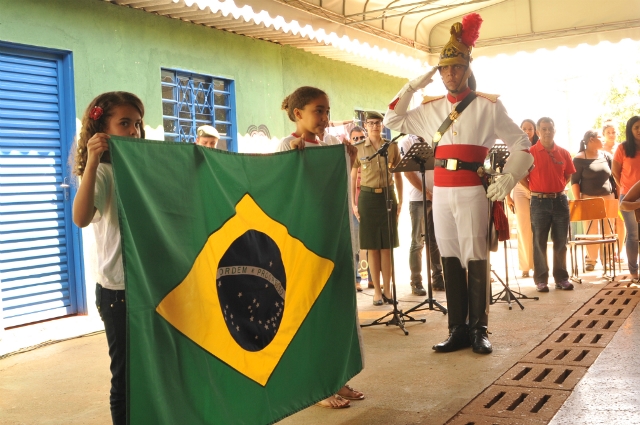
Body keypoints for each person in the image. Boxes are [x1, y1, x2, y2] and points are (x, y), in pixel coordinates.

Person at [383, 13, 533, 355]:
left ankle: (479, 328)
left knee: (474, 255)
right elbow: (392, 118)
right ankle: (457, 329)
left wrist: (509, 176)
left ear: (467, 69)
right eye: (444, 69)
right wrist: (412, 86)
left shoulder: (487, 106)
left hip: (471, 190)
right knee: (449, 255)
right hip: (442, 193)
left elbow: (522, 143)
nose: (450, 74)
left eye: (456, 67)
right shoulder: (429, 108)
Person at [278, 85, 363, 408]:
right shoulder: (288, 145)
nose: (325, 118)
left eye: (327, 111)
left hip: (334, 236)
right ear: (298, 113)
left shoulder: (330, 146)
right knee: (311, 313)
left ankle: (337, 378)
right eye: (318, 110)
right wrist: (293, 161)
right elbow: (286, 192)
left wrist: (351, 162)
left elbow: (335, 194)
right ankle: (316, 385)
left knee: (336, 311)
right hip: (305, 240)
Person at [72, 91, 146, 425]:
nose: (134, 130)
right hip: (118, 291)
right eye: (125, 123)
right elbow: (81, 217)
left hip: (149, 285)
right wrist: (91, 163)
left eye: (138, 123)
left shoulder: (143, 169)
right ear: (102, 129)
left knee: (152, 371)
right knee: (127, 378)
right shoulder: (102, 174)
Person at [351, 111, 403, 307]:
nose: (374, 126)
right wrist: (354, 204)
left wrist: (400, 201)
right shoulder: (358, 149)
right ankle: (378, 292)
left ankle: (388, 290)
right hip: (367, 198)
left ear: (383, 125)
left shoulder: (391, 147)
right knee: (372, 247)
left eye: (378, 123)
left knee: (387, 247)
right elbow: (352, 176)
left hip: (388, 197)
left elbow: (398, 175)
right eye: (371, 123)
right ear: (365, 125)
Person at [520, 117, 576, 292]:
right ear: (537, 132)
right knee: (539, 241)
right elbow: (521, 176)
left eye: (550, 128)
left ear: (554, 130)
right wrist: (535, 190)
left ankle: (561, 278)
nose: (547, 132)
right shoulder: (530, 153)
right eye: (543, 129)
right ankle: (541, 280)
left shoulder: (564, 153)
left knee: (560, 241)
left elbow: (568, 175)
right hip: (539, 202)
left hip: (560, 201)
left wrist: (557, 187)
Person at [399, 134, 445, 295]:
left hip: (437, 195)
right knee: (418, 241)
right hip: (418, 199)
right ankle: (416, 281)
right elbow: (408, 173)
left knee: (436, 239)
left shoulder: (433, 135)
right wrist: (426, 192)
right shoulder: (407, 141)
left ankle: (438, 278)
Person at [570, 129, 615, 271]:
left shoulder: (607, 156)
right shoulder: (579, 158)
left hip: (608, 197)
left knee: (609, 230)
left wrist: (618, 198)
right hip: (588, 199)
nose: (603, 140)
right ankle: (591, 260)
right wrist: (578, 201)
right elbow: (575, 181)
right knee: (591, 230)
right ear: (591, 140)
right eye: (600, 137)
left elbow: (614, 179)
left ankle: (607, 260)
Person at [505, 119, 539, 277]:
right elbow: (509, 173)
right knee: (523, 227)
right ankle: (525, 266)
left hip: (537, 189)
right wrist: (507, 197)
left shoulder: (539, 148)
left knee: (538, 228)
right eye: (524, 128)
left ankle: (539, 264)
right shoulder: (515, 148)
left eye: (530, 128)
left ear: (535, 131)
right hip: (520, 189)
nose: (527, 131)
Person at [611, 116, 640, 281]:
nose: (639, 130)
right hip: (628, 196)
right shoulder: (622, 148)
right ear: (630, 129)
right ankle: (633, 271)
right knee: (633, 235)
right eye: (636, 127)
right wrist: (626, 187)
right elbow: (615, 171)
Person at [602, 119, 625, 262]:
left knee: (621, 221)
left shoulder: (622, 148)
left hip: (622, 187)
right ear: (603, 134)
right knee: (608, 221)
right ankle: (608, 252)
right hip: (607, 189)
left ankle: (620, 251)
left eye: (613, 132)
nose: (611, 135)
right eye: (608, 132)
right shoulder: (599, 150)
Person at [350, 126, 368, 292]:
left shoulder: (369, 154)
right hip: (354, 206)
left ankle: (372, 279)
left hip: (370, 202)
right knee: (355, 245)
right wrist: (354, 206)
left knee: (372, 243)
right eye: (354, 138)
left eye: (361, 137)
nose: (358, 141)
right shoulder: (349, 159)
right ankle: (356, 279)